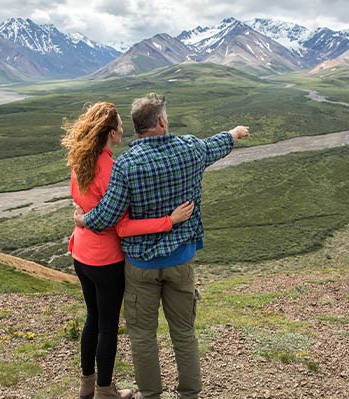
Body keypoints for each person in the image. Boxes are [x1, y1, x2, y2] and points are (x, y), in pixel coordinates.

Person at [74, 93, 250, 399]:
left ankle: (151, 395)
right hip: (180, 260)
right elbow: (216, 145)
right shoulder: (191, 150)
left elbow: (107, 216)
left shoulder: (126, 164)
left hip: (140, 266)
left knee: (142, 337)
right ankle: (189, 395)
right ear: (163, 122)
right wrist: (235, 133)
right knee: (183, 333)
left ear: (136, 127)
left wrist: (83, 220)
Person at [61, 101, 195, 399]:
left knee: (93, 318)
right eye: (120, 124)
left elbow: (81, 202)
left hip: (81, 253)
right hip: (105, 258)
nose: (124, 128)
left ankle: (87, 385)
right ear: (110, 131)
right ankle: (105, 390)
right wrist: (168, 221)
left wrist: (83, 216)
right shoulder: (111, 168)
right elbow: (122, 227)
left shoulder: (80, 159)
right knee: (108, 326)